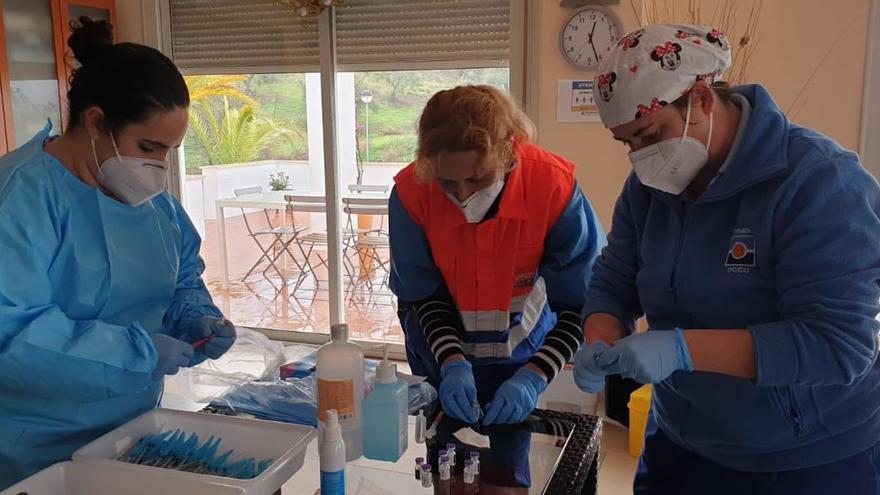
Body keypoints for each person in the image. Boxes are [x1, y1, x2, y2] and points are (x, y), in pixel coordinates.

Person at [574, 24, 880, 494]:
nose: (639, 156)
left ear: (700, 97)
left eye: (649, 134)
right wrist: (599, 334)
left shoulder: (817, 183)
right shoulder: (649, 189)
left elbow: (837, 345)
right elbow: (615, 280)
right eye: (627, 143)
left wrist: (681, 349)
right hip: (682, 440)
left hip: (802, 456)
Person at [0, 18, 236, 488]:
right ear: (95, 123)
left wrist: (195, 317)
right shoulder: (20, 197)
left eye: (169, 151)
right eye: (148, 147)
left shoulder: (154, 205)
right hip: (34, 445)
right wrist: (139, 353)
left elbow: (181, 276)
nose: (157, 167)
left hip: (130, 429)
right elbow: (11, 332)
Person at [390, 85, 605, 427]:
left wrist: (535, 375)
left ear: (508, 149)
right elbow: (422, 295)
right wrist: (452, 362)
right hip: (442, 358)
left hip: (522, 357)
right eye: (448, 183)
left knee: (512, 464)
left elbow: (583, 304)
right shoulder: (412, 193)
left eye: (477, 178)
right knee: (443, 458)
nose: (462, 196)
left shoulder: (552, 189)